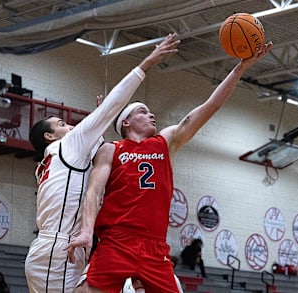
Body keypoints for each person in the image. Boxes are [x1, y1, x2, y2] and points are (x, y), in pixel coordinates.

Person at [67, 41, 272, 292]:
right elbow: (94, 192)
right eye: (144, 111)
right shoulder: (112, 149)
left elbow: (210, 106)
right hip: (117, 240)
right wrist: (87, 231)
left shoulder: (166, 141)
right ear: (126, 121)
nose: (151, 115)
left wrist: (241, 68)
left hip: (154, 245)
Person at [25, 33, 180, 293]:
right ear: (49, 136)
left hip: (49, 247)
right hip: (60, 249)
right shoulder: (69, 144)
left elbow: (104, 160)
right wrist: (148, 62)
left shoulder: (54, 159)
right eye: (62, 124)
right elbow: (113, 105)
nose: (72, 125)